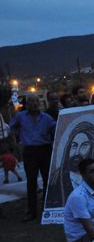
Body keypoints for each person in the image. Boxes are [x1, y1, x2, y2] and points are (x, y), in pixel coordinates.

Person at [9, 93, 56, 221]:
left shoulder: (47, 118)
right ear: (27, 104)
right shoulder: (20, 117)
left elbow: (56, 129)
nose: (35, 103)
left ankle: (48, 208)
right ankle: (31, 211)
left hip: (45, 150)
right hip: (29, 152)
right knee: (31, 181)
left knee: (48, 180)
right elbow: (11, 128)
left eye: (37, 101)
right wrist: (17, 142)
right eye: (31, 101)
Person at [46, 121, 94, 208]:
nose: (77, 152)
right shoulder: (56, 179)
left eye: (84, 146)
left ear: (93, 149)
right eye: (74, 146)